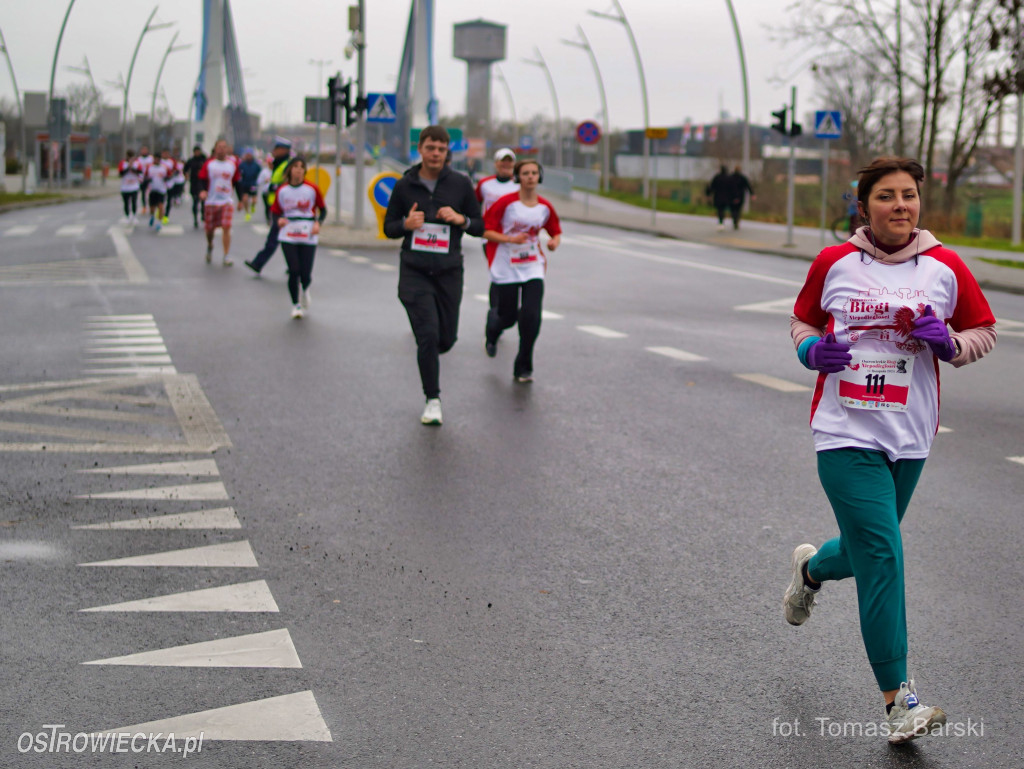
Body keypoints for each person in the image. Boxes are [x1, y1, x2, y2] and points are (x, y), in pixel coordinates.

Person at [783, 156, 997, 745]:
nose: (900, 205)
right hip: (844, 431)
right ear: (863, 205)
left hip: (910, 434)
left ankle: (810, 568)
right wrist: (811, 354)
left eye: (908, 195)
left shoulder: (946, 267)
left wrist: (949, 342)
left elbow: (984, 330)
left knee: (861, 553)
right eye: (886, 196)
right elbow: (802, 322)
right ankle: (899, 702)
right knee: (883, 556)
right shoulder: (834, 262)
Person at [383, 125, 484, 426]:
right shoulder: (405, 186)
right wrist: (405, 224)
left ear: (447, 152)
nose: (436, 153)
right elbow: (388, 228)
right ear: (421, 149)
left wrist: (461, 219)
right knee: (427, 334)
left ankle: (431, 346)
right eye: (430, 147)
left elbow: (479, 226)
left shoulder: (460, 184)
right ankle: (432, 399)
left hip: (449, 271)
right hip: (414, 271)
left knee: (445, 339)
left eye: (441, 148)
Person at [482, 159, 561, 383]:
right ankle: (494, 327)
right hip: (506, 264)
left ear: (539, 177)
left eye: (534, 173)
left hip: (532, 265)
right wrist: (510, 238)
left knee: (531, 316)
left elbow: (555, 230)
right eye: (525, 173)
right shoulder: (505, 203)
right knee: (508, 317)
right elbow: (485, 231)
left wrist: (554, 242)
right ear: (518, 177)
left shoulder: (544, 206)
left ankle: (523, 364)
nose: (530, 177)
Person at [271, 157, 327, 319]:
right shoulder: (282, 190)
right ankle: (295, 304)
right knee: (293, 270)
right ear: (290, 170)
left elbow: (323, 210)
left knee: (305, 273)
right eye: (295, 167)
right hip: (288, 232)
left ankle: (305, 289)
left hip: (307, 231)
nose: (299, 170)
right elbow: (275, 211)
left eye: (302, 167)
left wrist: (318, 223)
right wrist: (278, 220)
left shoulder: (312, 189)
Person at [475, 147, 520, 309]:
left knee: (512, 274)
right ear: (496, 164)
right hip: (490, 237)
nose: (506, 165)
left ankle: (508, 308)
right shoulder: (485, 184)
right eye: (503, 161)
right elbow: (475, 205)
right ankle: (496, 311)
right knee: (498, 273)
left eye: (510, 162)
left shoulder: (519, 185)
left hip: (513, 238)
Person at [245, 137, 293, 276]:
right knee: (284, 239)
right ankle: (293, 266)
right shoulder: (279, 163)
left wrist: (274, 186)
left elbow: (288, 183)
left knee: (274, 239)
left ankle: (258, 263)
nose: (273, 152)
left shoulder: (287, 165)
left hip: (283, 208)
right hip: (276, 205)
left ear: (283, 150)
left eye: (276, 149)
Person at [198, 139, 240, 267]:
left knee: (226, 227)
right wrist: (202, 191)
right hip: (211, 201)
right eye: (219, 147)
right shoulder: (209, 164)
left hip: (226, 200)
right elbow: (201, 179)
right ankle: (210, 245)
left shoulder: (232, 165)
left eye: (224, 147)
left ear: (227, 149)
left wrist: (242, 199)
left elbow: (237, 181)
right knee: (210, 229)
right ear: (215, 149)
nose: (222, 149)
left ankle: (226, 255)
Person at [145, 149, 172, 233]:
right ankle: (152, 216)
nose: (156, 160)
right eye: (155, 159)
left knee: (160, 207)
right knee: (152, 208)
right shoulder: (150, 167)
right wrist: (147, 181)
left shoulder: (164, 168)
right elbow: (145, 176)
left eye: (157, 159)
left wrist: (166, 179)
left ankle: (159, 222)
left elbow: (169, 176)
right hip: (152, 190)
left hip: (161, 190)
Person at [183, 145, 207, 229]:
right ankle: (195, 219)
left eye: (198, 151)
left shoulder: (204, 159)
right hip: (194, 183)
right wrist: (186, 175)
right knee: (195, 202)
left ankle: (203, 214)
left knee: (204, 202)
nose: (197, 153)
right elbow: (185, 169)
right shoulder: (191, 160)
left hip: (203, 184)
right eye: (195, 152)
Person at [117, 149, 142, 225]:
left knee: (134, 201)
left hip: (134, 186)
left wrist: (132, 167)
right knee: (126, 203)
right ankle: (127, 216)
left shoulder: (137, 163)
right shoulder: (123, 163)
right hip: (125, 187)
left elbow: (139, 172)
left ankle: (134, 216)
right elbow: (121, 174)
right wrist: (128, 167)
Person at [706, 165, 732, 231]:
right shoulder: (728, 178)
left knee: (720, 210)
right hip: (726, 197)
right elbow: (732, 188)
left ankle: (721, 222)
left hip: (718, 197)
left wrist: (708, 193)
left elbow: (712, 186)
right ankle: (722, 221)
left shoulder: (717, 177)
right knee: (723, 210)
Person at [727, 165, 754, 230]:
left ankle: (734, 220)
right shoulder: (742, 178)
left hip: (731, 196)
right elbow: (748, 186)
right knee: (738, 209)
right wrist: (752, 194)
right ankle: (736, 220)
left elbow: (727, 187)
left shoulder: (730, 177)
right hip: (740, 196)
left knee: (733, 209)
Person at [238, 150, 261, 222]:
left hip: (253, 183)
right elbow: (239, 173)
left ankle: (253, 206)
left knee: (254, 200)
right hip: (245, 184)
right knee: (245, 199)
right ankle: (247, 212)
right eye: (247, 155)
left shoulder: (256, 165)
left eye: (249, 155)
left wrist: (257, 181)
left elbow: (259, 173)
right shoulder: (242, 164)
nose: (248, 156)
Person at [164, 153, 186, 224]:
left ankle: (166, 216)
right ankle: (159, 213)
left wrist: (172, 174)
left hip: (174, 183)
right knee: (161, 202)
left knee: (169, 200)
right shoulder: (162, 163)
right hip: (163, 185)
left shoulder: (176, 164)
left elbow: (178, 171)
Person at [136, 145, 155, 217]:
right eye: (142, 150)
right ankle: (144, 206)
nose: (144, 151)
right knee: (143, 193)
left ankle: (151, 206)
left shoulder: (151, 158)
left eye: (145, 150)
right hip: (141, 178)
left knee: (150, 193)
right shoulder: (139, 159)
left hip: (149, 177)